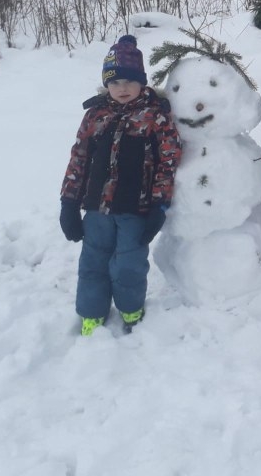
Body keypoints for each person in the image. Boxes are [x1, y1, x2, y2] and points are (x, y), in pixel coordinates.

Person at [60, 35, 182, 336]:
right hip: (96, 209)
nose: (122, 88)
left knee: (128, 265)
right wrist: (69, 204)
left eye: (129, 81)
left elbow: (168, 162)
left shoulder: (155, 116)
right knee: (93, 264)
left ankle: (130, 309)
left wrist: (159, 205)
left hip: (135, 210)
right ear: (106, 84)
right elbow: (78, 159)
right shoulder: (95, 116)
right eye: (115, 82)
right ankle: (91, 314)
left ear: (142, 82)